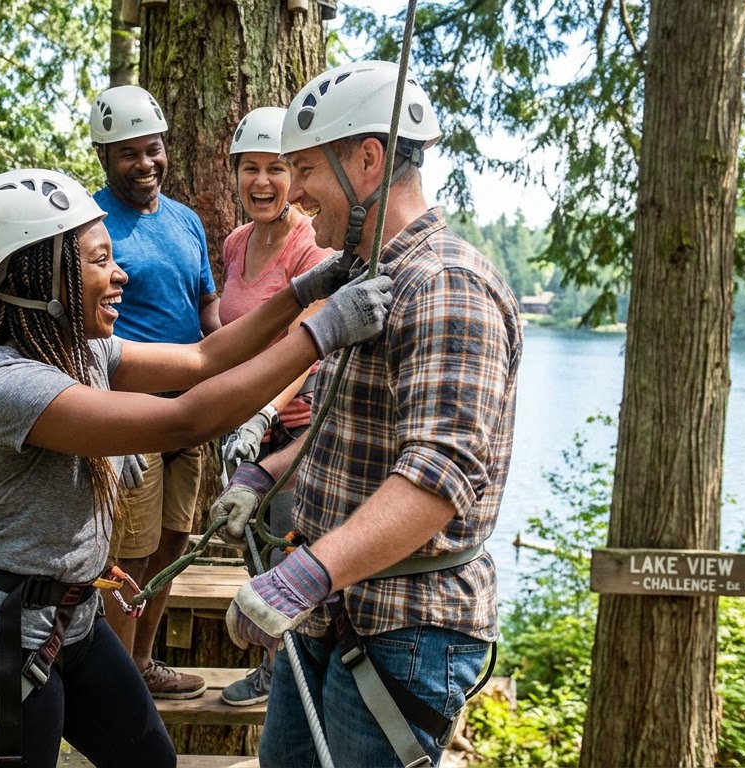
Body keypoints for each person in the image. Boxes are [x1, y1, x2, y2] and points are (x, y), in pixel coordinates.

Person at [0, 167, 394, 768]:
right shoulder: (11, 385)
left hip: (69, 617)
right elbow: (184, 421)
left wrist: (303, 293)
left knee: (150, 759)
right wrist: (321, 333)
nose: (119, 275)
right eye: (98, 262)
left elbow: (203, 356)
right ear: (43, 274)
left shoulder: (81, 349)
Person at [213, 61, 524, 767]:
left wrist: (299, 578)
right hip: (335, 613)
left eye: (304, 170)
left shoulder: (444, 285)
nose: (293, 192)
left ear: (367, 158)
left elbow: (436, 481)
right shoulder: (370, 277)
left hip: (403, 628)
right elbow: (346, 433)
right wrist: (264, 475)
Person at [87, 84, 219, 699]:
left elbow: (208, 319)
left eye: (154, 149)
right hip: (131, 419)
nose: (146, 163)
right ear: (104, 157)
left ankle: (141, 666)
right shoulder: (88, 225)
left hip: (186, 418)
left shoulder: (186, 221)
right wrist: (108, 430)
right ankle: (117, 686)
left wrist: (240, 401)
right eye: (129, 154)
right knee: (129, 557)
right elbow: (78, 332)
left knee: (172, 544)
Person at [214, 106, 337, 708]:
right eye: (250, 169)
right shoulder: (238, 243)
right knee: (254, 544)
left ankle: (283, 677)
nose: (261, 183)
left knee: (290, 547)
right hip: (246, 425)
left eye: (276, 170)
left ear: (295, 179)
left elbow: (305, 342)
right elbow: (233, 329)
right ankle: (278, 669)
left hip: (295, 425)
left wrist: (262, 412)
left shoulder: (309, 251)